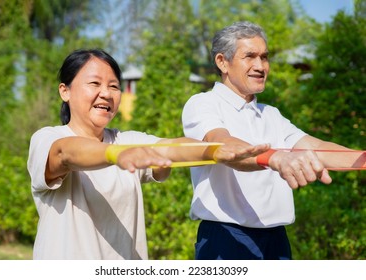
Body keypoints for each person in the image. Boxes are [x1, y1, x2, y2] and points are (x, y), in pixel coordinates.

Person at [26, 48, 269, 260]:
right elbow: (66, 152)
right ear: (64, 91)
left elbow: (172, 147)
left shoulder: (127, 140)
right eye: (94, 84)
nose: (107, 93)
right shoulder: (47, 137)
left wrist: (218, 151)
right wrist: (115, 154)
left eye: (114, 86)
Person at [182, 21, 365, 260]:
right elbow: (223, 146)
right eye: (250, 56)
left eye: (265, 57)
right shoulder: (203, 103)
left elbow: (317, 148)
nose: (260, 66)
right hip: (227, 240)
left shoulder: (271, 114)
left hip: (276, 240)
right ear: (222, 62)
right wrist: (275, 158)